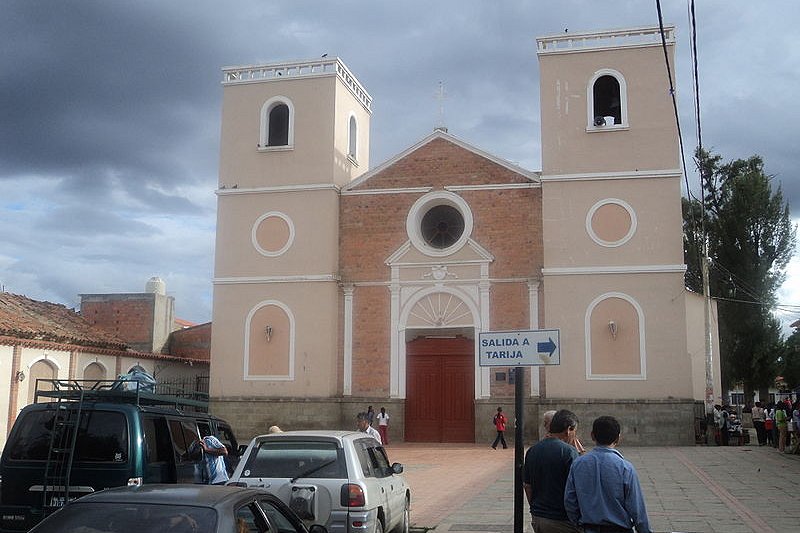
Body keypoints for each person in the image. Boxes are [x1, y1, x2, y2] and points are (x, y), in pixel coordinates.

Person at [565, 416, 651, 533]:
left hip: (589, 528)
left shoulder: (578, 464)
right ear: (618, 438)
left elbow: (570, 501)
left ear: (592, 435)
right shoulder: (625, 468)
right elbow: (637, 509)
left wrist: (579, 523)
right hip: (619, 529)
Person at [522, 409, 581, 533]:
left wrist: (535, 509)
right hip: (562, 520)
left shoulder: (532, 450)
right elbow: (577, 488)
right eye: (574, 432)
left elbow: (527, 486)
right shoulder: (569, 452)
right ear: (568, 430)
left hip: (538, 518)